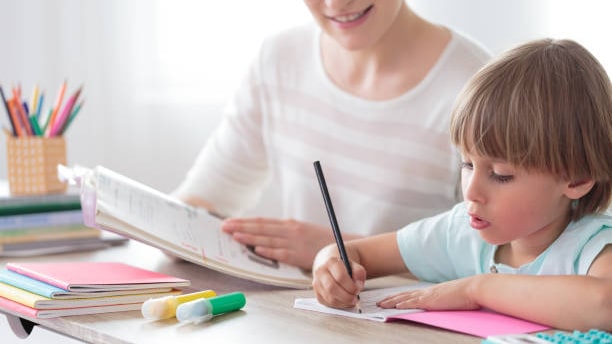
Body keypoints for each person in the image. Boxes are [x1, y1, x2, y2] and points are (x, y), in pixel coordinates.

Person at [311, 38, 612, 331]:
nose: (471, 192)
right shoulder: (460, 232)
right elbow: (354, 254)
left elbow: (604, 305)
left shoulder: (594, 246)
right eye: (467, 164)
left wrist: (477, 289)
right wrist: (330, 268)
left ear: (578, 179)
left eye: (500, 174)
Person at [172, 1, 491, 270]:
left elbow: (496, 260)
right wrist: (169, 229)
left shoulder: (477, 89)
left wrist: (339, 249)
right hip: (301, 315)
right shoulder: (279, 59)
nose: (336, 5)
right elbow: (207, 194)